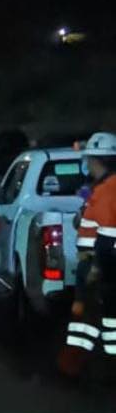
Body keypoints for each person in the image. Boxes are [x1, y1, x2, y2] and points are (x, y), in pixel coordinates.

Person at [60, 131, 116, 376]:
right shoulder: (100, 188)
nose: (86, 163)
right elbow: (89, 210)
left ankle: (78, 366)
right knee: (94, 317)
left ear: (96, 160)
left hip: (99, 263)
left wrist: (96, 268)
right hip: (97, 262)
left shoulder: (107, 190)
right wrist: (84, 199)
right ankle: (79, 364)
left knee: (92, 316)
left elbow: (107, 235)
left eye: (88, 159)